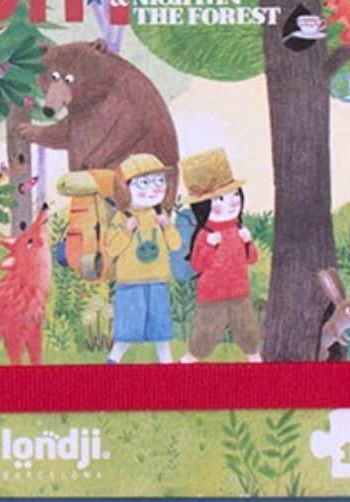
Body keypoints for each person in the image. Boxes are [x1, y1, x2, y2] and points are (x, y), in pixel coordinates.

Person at [178, 148, 262, 363]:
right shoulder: (205, 234)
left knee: (247, 327)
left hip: (239, 291)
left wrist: (248, 242)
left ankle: (254, 356)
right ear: (204, 207)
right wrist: (209, 246)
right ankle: (192, 357)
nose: (232, 202)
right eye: (221, 199)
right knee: (206, 329)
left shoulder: (237, 229)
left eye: (235, 195)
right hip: (212, 294)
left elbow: (251, 258)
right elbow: (198, 265)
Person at [104, 154, 182, 364]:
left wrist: (167, 227)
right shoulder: (122, 218)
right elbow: (111, 249)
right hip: (130, 282)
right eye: (144, 183)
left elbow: (175, 245)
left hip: (157, 280)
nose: (154, 188)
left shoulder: (161, 215)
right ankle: (113, 360)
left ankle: (167, 363)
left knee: (160, 328)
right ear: (125, 188)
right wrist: (127, 232)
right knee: (128, 329)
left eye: (159, 181)